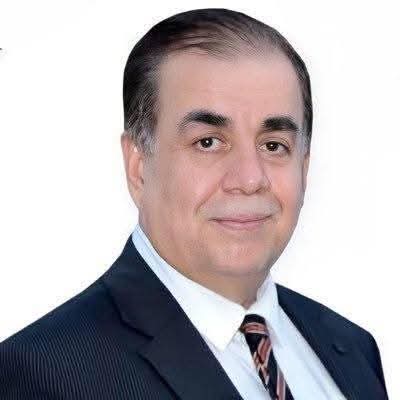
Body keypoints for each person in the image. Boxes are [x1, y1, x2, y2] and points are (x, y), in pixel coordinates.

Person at [0, 8, 389, 400]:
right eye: (208, 142)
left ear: (304, 166)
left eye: (274, 145)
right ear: (138, 165)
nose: (249, 179)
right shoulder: (43, 374)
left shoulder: (353, 348)